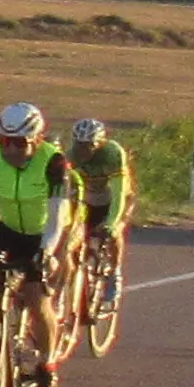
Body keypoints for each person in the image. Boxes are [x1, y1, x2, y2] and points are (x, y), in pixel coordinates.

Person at [0, 102, 74, 377]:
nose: (11, 151)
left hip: (44, 233)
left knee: (35, 298)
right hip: (10, 227)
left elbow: (57, 216)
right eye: (5, 142)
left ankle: (47, 364)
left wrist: (47, 252)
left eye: (20, 143)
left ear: (38, 139)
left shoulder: (54, 162)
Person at [63, 115, 133, 293]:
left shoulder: (112, 153)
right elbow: (66, 192)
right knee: (73, 237)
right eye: (79, 145)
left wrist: (111, 224)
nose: (83, 151)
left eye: (89, 146)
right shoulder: (70, 156)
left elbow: (119, 193)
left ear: (100, 143)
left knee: (114, 232)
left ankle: (114, 274)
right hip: (88, 198)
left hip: (114, 197)